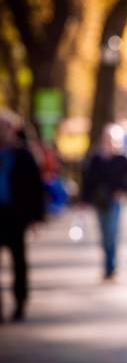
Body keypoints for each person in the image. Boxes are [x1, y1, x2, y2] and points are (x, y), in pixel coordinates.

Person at [0, 110, 45, 322]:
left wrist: (36, 217)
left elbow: (35, 187)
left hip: (15, 216)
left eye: (5, 127)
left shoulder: (23, 154)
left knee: (18, 260)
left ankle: (20, 302)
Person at [81, 123, 127, 280]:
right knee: (104, 234)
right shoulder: (96, 159)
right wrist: (85, 200)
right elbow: (88, 180)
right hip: (99, 202)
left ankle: (111, 266)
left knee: (112, 232)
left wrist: (122, 191)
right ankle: (107, 265)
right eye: (106, 139)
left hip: (115, 201)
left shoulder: (122, 158)